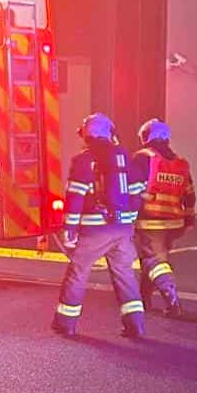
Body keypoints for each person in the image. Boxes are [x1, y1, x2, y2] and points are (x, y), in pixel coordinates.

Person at [52, 113, 146, 339]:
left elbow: (75, 197)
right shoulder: (124, 157)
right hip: (123, 229)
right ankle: (136, 325)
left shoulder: (83, 160)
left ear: (87, 135)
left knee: (78, 273)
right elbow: (137, 192)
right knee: (125, 276)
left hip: (95, 230)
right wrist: (129, 220)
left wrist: (70, 230)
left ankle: (66, 323)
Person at [131, 118, 195, 318]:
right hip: (174, 223)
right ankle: (144, 298)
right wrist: (189, 221)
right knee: (154, 260)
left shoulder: (143, 158)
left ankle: (171, 298)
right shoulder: (180, 163)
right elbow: (190, 195)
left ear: (147, 137)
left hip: (149, 220)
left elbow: (133, 189)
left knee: (153, 262)